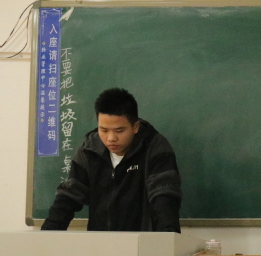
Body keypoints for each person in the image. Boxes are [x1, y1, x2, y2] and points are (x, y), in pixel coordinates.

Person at [41, 88, 181, 232]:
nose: (111, 138)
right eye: (103, 130)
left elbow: (164, 197)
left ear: (135, 127)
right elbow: (69, 196)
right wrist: (46, 235)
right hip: (101, 242)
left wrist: (167, 238)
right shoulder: (90, 149)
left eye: (119, 131)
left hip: (142, 241)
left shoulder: (154, 147)